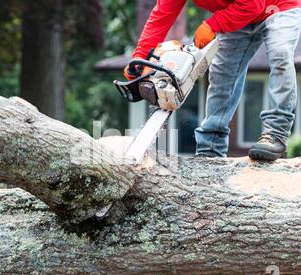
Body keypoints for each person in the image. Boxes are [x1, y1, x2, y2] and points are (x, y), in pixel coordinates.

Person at [124, 0, 301, 161]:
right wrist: (140, 57)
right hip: (235, 12)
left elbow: (252, 5)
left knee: (281, 55)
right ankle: (211, 147)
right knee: (220, 74)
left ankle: (275, 134)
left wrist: (212, 25)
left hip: (277, 7)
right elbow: (161, 16)